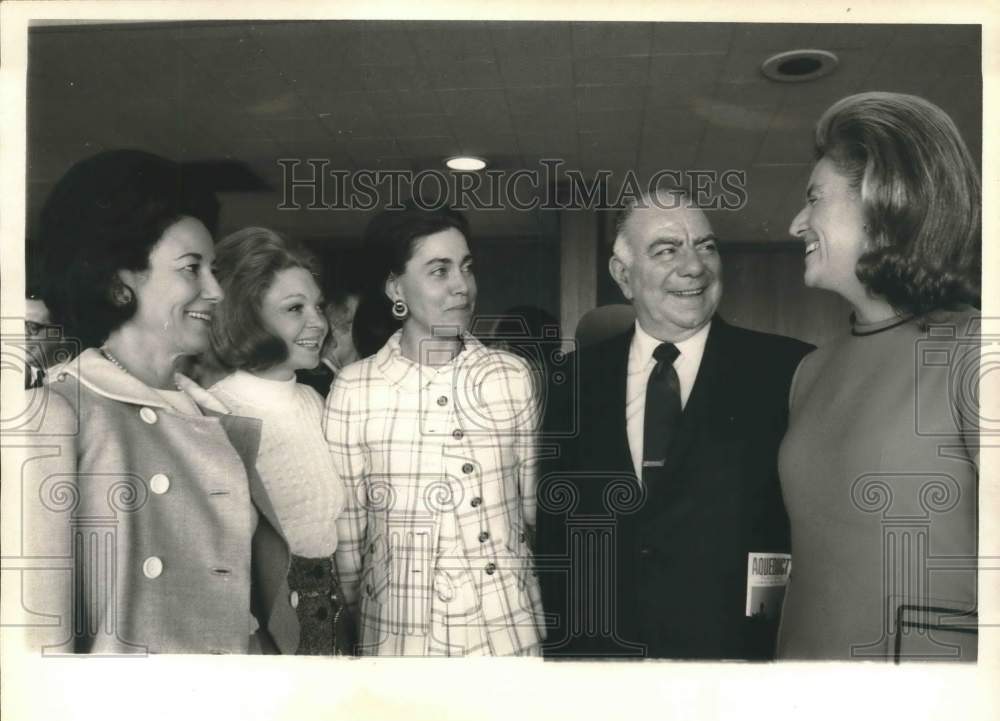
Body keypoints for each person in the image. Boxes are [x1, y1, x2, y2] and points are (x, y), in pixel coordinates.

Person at [21, 150, 299, 655]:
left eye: (214, 270)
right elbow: (38, 643)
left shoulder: (211, 417)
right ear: (119, 283)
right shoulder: (61, 415)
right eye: (192, 269)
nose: (216, 291)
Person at [537, 188, 813, 660]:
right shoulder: (571, 380)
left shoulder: (787, 370)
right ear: (623, 276)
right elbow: (553, 534)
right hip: (602, 665)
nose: (694, 267)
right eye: (668, 250)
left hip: (731, 664)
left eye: (705, 246)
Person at [777, 92, 981, 661]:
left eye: (814, 199)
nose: (797, 224)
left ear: (883, 201)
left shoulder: (974, 351)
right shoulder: (810, 371)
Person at [324, 205, 545, 656]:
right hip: (399, 639)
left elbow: (533, 511)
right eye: (438, 271)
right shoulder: (355, 389)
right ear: (395, 287)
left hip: (507, 632)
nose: (461, 286)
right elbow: (348, 540)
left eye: (466, 267)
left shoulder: (510, 376)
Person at [209, 227, 351, 655]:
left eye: (318, 306)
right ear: (248, 318)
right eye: (294, 308)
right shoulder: (218, 412)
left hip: (332, 608)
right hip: (267, 622)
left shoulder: (315, 398)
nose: (317, 322)